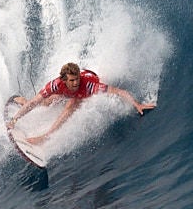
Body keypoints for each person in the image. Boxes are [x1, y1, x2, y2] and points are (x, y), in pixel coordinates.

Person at [10, 61, 156, 146]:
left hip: (88, 83)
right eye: (72, 80)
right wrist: (14, 120)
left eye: (76, 79)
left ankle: (46, 136)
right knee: (46, 101)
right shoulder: (55, 85)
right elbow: (36, 101)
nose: (75, 83)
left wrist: (137, 104)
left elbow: (119, 91)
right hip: (65, 91)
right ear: (64, 80)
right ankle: (23, 100)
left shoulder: (89, 86)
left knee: (71, 105)